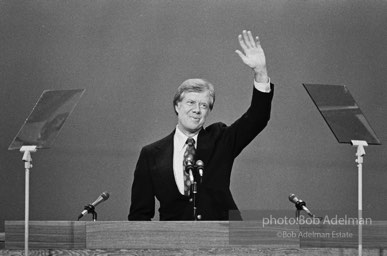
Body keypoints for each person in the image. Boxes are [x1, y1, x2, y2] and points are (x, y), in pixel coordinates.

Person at [128, 30, 274, 221]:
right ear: (177, 106)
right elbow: (139, 216)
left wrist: (260, 72)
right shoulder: (151, 154)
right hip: (174, 244)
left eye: (203, 105)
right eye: (190, 103)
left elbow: (257, 118)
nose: (197, 110)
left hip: (224, 241)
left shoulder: (220, 140)